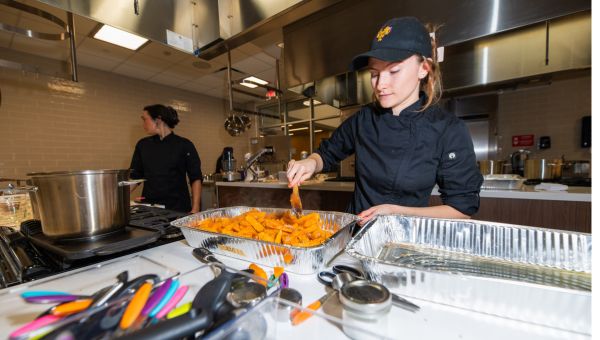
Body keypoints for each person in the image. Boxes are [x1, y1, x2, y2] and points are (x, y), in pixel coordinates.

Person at [287, 17, 483, 223]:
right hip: (357, 236)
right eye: (374, 73)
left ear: (423, 68)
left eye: (394, 71)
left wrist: (396, 211)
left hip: (407, 240)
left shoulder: (448, 129)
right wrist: (310, 163)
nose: (381, 84)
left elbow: (461, 209)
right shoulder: (363, 119)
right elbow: (327, 154)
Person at [130, 104, 202, 213]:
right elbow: (135, 177)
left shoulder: (184, 145)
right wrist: (118, 198)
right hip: (149, 209)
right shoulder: (143, 145)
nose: (143, 124)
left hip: (178, 209)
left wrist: (195, 208)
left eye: (145, 119)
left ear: (158, 120)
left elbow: (195, 178)